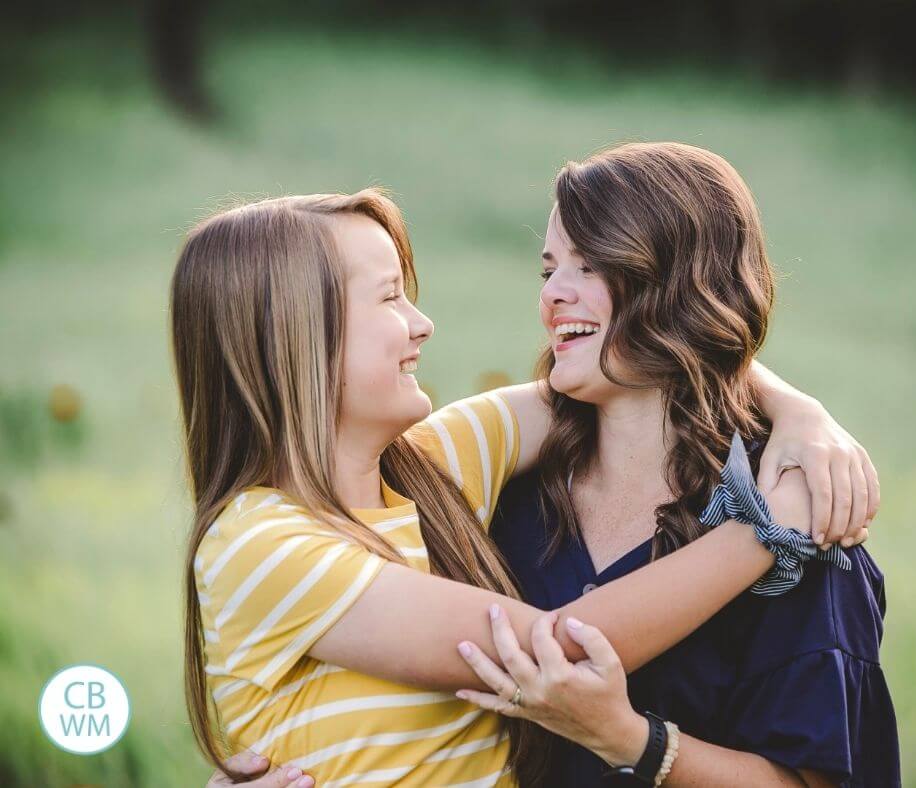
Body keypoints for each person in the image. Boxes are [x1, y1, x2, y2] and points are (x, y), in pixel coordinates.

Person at [175, 187, 875, 788]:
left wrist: (803, 417)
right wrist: (769, 530)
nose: (422, 324)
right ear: (294, 335)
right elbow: (546, 658)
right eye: (390, 298)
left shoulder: (436, 467)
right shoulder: (260, 542)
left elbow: (659, 348)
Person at [450, 142, 899, 787]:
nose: (553, 295)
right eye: (548, 269)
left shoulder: (806, 522)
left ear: (682, 282)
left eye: (590, 264)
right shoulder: (503, 491)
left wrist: (633, 740)